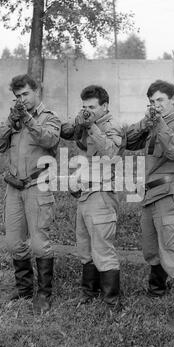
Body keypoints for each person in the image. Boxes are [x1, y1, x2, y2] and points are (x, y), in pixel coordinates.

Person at [126, 80, 174, 331]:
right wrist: (146, 122)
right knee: (151, 249)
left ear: (173, 100)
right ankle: (157, 289)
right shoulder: (153, 124)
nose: (156, 105)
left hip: (169, 194)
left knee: (173, 252)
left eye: (161, 101)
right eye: (152, 102)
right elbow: (128, 141)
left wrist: (159, 123)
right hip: (149, 194)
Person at [0, 74, 61, 313]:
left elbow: (49, 138)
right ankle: (23, 289)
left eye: (25, 94)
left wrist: (28, 119)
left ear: (37, 90)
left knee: (40, 244)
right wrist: (11, 121)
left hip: (37, 186)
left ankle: (43, 294)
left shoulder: (49, 118)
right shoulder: (15, 119)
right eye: (18, 96)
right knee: (13, 243)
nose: (22, 99)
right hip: (14, 188)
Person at [60, 85, 125, 309]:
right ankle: (89, 293)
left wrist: (92, 126)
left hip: (102, 193)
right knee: (85, 248)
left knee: (103, 250)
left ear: (105, 106)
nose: (88, 110)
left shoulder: (111, 126)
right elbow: (72, 138)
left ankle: (111, 301)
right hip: (85, 193)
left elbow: (111, 152)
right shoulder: (85, 123)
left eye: (92, 107)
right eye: (84, 106)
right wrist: (79, 123)